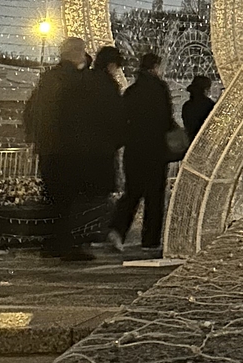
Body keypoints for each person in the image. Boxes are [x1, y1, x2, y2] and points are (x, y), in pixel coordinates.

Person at [27, 37, 125, 262]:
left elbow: (33, 111)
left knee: (56, 198)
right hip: (72, 149)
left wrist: (38, 139)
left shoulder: (49, 78)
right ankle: (68, 245)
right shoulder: (78, 80)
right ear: (76, 53)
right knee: (71, 199)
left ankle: (54, 244)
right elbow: (85, 116)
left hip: (51, 148)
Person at [108, 51, 175, 254]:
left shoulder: (132, 91)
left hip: (134, 150)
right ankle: (150, 240)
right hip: (155, 150)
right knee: (155, 197)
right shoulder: (160, 89)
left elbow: (122, 119)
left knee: (132, 192)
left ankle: (118, 229)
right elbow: (166, 119)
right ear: (155, 67)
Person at [181, 74, 216, 142]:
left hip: (191, 141)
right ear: (205, 90)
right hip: (207, 141)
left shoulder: (187, 106)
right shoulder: (210, 105)